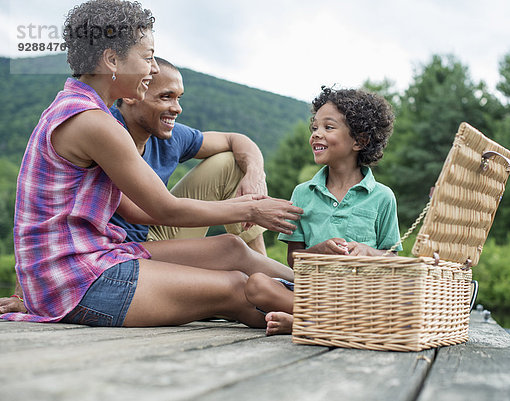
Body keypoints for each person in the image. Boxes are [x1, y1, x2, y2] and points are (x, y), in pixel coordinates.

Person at [0, 0, 302, 328]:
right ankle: (338, 314)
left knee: (231, 249)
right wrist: (251, 210)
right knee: (237, 287)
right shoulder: (94, 122)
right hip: (75, 282)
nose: (154, 68)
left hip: (95, 257)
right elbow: (165, 209)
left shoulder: (77, 108)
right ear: (112, 60)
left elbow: (135, 210)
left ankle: (325, 290)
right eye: (147, 57)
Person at [244, 86, 400, 335]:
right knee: (256, 285)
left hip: (361, 295)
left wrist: (369, 253)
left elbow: (394, 259)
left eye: (328, 127)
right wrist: (319, 251)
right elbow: (293, 261)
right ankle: (327, 323)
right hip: (313, 292)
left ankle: (305, 323)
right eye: (315, 127)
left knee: (392, 299)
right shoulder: (302, 193)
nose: (316, 134)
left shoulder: (382, 197)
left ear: (359, 141)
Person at [110, 56, 268, 254]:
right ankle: (270, 275)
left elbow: (234, 139)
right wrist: (242, 208)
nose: (177, 108)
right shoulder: (107, 133)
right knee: (231, 252)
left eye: (178, 98)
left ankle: (263, 267)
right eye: (166, 97)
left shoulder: (168, 134)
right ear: (131, 94)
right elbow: (140, 212)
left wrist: (255, 175)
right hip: (120, 249)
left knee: (231, 162)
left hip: (157, 230)